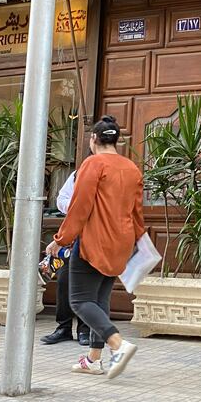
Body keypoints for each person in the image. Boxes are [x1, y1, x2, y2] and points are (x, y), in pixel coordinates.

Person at [45, 115, 145, 379]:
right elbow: (137, 213)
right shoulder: (132, 168)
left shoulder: (93, 164)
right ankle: (93, 359)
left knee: (79, 300)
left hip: (94, 242)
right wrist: (136, 242)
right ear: (117, 141)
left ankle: (118, 346)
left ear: (93, 139)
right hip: (120, 243)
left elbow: (80, 207)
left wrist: (60, 240)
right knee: (99, 300)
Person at [39, 169, 90, 346]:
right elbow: (61, 200)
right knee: (64, 281)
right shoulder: (78, 174)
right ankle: (63, 328)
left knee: (86, 284)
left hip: (95, 236)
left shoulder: (107, 175)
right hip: (72, 234)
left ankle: (85, 329)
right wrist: (77, 206)